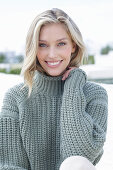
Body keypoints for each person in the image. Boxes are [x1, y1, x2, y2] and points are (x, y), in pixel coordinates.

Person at [0, 8, 108, 170]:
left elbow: (81, 157)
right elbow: (10, 164)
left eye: (61, 44)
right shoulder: (16, 97)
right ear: (33, 49)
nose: (51, 54)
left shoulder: (94, 94)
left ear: (73, 46)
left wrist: (73, 86)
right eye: (42, 45)